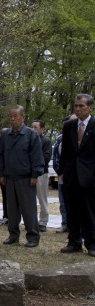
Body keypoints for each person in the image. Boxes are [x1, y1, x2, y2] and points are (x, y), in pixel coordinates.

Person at [0, 105, 44, 248]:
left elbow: (37, 157)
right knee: (12, 210)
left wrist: (35, 175)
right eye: (11, 116)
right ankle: (13, 235)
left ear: (23, 117)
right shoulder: (6, 135)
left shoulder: (31, 134)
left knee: (28, 209)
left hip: (26, 178)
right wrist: (1, 174)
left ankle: (33, 237)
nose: (12, 118)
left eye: (15, 115)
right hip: (10, 178)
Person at [58, 94, 95, 257]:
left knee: (89, 212)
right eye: (76, 106)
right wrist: (62, 172)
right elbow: (65, 152)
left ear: (90, 107)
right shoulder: (69, 126)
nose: (78, 109)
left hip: (90, 177)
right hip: (71, 175)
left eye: (81, 106)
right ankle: (74, 242)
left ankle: (92, 244)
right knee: (72, 211)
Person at [53, 114, 77, 233]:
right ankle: (65, 224)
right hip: (64, 175)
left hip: (81, 176)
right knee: (63, 202)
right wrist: (60, 171)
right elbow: (57, 156)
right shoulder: (60, 138)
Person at [31, 120, 52, 233]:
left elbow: (46, 157)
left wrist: (35, 164)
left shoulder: (46, 141)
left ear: (41, 129)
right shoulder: (29, 140)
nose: (33, 129)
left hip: (41, 174)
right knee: (30, 199)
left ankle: (43, 222)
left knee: (42, 198)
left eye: (36, 127)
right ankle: (32, 221)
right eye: (32, 127)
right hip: (29, 174)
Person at [0, 128, 9, 226]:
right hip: (3, 176)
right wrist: (0, 175)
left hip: (13, 176)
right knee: (5, 197)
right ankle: (6, 216)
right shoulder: (0, 147)